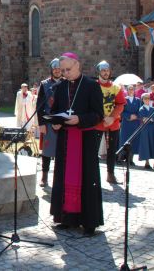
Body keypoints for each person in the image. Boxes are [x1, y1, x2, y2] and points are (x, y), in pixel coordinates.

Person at [49, 52, 104, 235]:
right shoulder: (60, 87)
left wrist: (79, 118)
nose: (65, 73)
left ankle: (89, 222)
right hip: (65, 140)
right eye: (63, 70)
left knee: (86, 179)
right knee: (63, 178)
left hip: (85, 141)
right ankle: (66, 218)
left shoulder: (91, 86)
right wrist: (55, 122)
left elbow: (98, 115)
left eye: (68, 69)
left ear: (77, 65)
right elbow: (55, 110)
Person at [94, 60, 125, 184]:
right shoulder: (94, 86)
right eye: (103, 70)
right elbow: (92, 104)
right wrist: (102, 118)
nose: (105, 73)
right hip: (98, 122)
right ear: (99, 72)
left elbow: (120, 104)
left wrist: (112, 117)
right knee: (93, 149)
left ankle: (110, 174)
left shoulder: (115, 87)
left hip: (113, 123)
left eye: (107, 70)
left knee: (112, 150)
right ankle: (93, 175)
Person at [36, 58, 62, 188]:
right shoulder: (45, 84)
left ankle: (59, 178)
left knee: (61, 152)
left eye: (59, 68)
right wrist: (41, 123)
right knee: (47, 151)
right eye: (55, 68)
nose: (57, 71)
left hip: (62, 122)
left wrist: (63, 121)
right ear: (51, 70)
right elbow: (40, 105)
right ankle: (44, 177)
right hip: (47, 121)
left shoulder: (66, 83)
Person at [120, 85, 142, 165]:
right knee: (124, 139)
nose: (131, 90)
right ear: (127, 90)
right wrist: (129, 116)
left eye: (132, 89)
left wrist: (136, 116)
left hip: (135, 123)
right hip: (126, 122)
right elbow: (121, 111)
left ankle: (130, 159)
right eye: (129, 89)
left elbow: (140, 110)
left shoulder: (138, 100)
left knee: (133, 140)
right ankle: (121, 157)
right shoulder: (124, 100)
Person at [137, 93, 154, 170]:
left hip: (153, 129)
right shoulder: (141, 109)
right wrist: (151, 119)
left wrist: (150, 119)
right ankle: (147, 162)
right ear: (142, 100)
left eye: (148, 98)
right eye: (145, 98)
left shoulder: (153, 109)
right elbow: (143, 118)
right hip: (145, 129)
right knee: (146, 145)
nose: (147, 100)